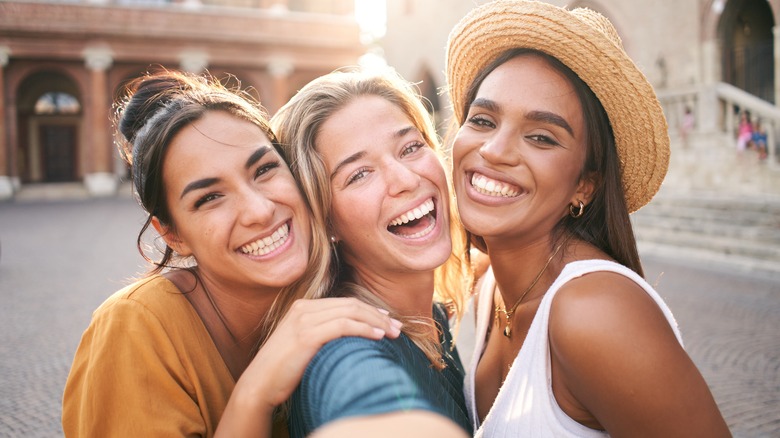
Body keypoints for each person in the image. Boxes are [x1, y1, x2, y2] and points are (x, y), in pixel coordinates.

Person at [62, 70, 401, 437]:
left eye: (265, 169)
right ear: (173, 235)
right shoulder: (135, 329)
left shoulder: (339, 282)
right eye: (209, 198)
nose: (259, 211)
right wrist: (254, 393)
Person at [445, 1, 731, 437]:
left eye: (542, 137)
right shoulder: (490, 286)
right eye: (483, 120)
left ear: (586, 185)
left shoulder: (594, 313)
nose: (494, 150)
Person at [270, 68, 472, 437]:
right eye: (359, 174)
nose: (406, 179)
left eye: (410, 148)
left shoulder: (433, 316)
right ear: (325, 221)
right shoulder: (343, 348)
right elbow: (363, 395)